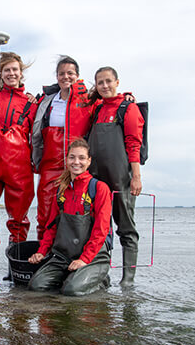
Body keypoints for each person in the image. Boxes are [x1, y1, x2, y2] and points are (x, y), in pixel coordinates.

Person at [28, 139, 112, 296]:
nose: (76, 162)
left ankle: (101, 279)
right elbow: (52, 226)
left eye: (81, 158)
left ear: (89, 161)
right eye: (72, 157)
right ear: (66, 159)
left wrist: (84, 259)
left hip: (93, 257)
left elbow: (101, 230)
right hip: (64, 256)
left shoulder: (99, 188)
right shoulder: (61, 190)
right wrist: (41, 251)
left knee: (72, 290)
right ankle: (71, 276)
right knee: (36, 286)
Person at [85, 66, 144, 286]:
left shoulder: (128, 108)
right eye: (100, 82)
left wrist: (136, 176)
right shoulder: (97, 108)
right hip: (98, 179)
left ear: (117, 82)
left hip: (121, 178)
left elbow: (133, 143)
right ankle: (101, 275)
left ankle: (128, 280)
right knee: (98, 227)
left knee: (126, 228)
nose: (105, 86)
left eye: (108, 81)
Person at [31, 56, 94, 241]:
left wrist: (127, 96)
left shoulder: (88, 100)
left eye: (70, 73)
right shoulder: (46, 101)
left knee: (76, 213)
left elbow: (109, 102)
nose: (66, 77)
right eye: (61, 73)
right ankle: (42, 254)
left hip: (77, 165)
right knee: (44, 213)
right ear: (56, 76)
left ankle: (73, 257)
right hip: (50, 164)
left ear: (78, 76)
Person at [0, 52, 38, 245]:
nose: (11, 73)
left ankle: (15, 267)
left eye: (15, 70)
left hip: (19, 169)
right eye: (6, 70)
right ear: (1, 73)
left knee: (19, 219)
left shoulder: (31, 104)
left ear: (21, 73)